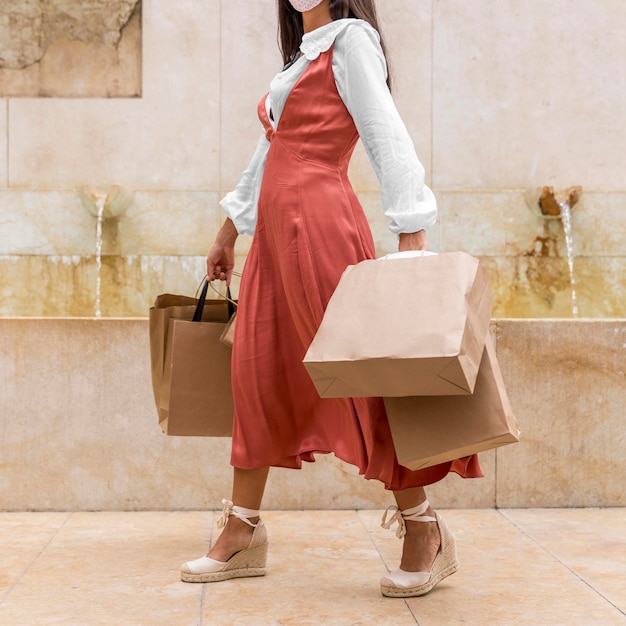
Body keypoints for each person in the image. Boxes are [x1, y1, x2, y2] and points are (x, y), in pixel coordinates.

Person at [181, 0, 482, 598]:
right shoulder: (301, 57)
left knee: (359, 376)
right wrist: (228, 230)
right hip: (273, 233)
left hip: (318, 227)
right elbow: (268, 155)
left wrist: (411, 229)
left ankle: (425, 530)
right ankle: (242, 530)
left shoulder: (351, 41)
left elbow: (384, 131)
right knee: (256, 373)